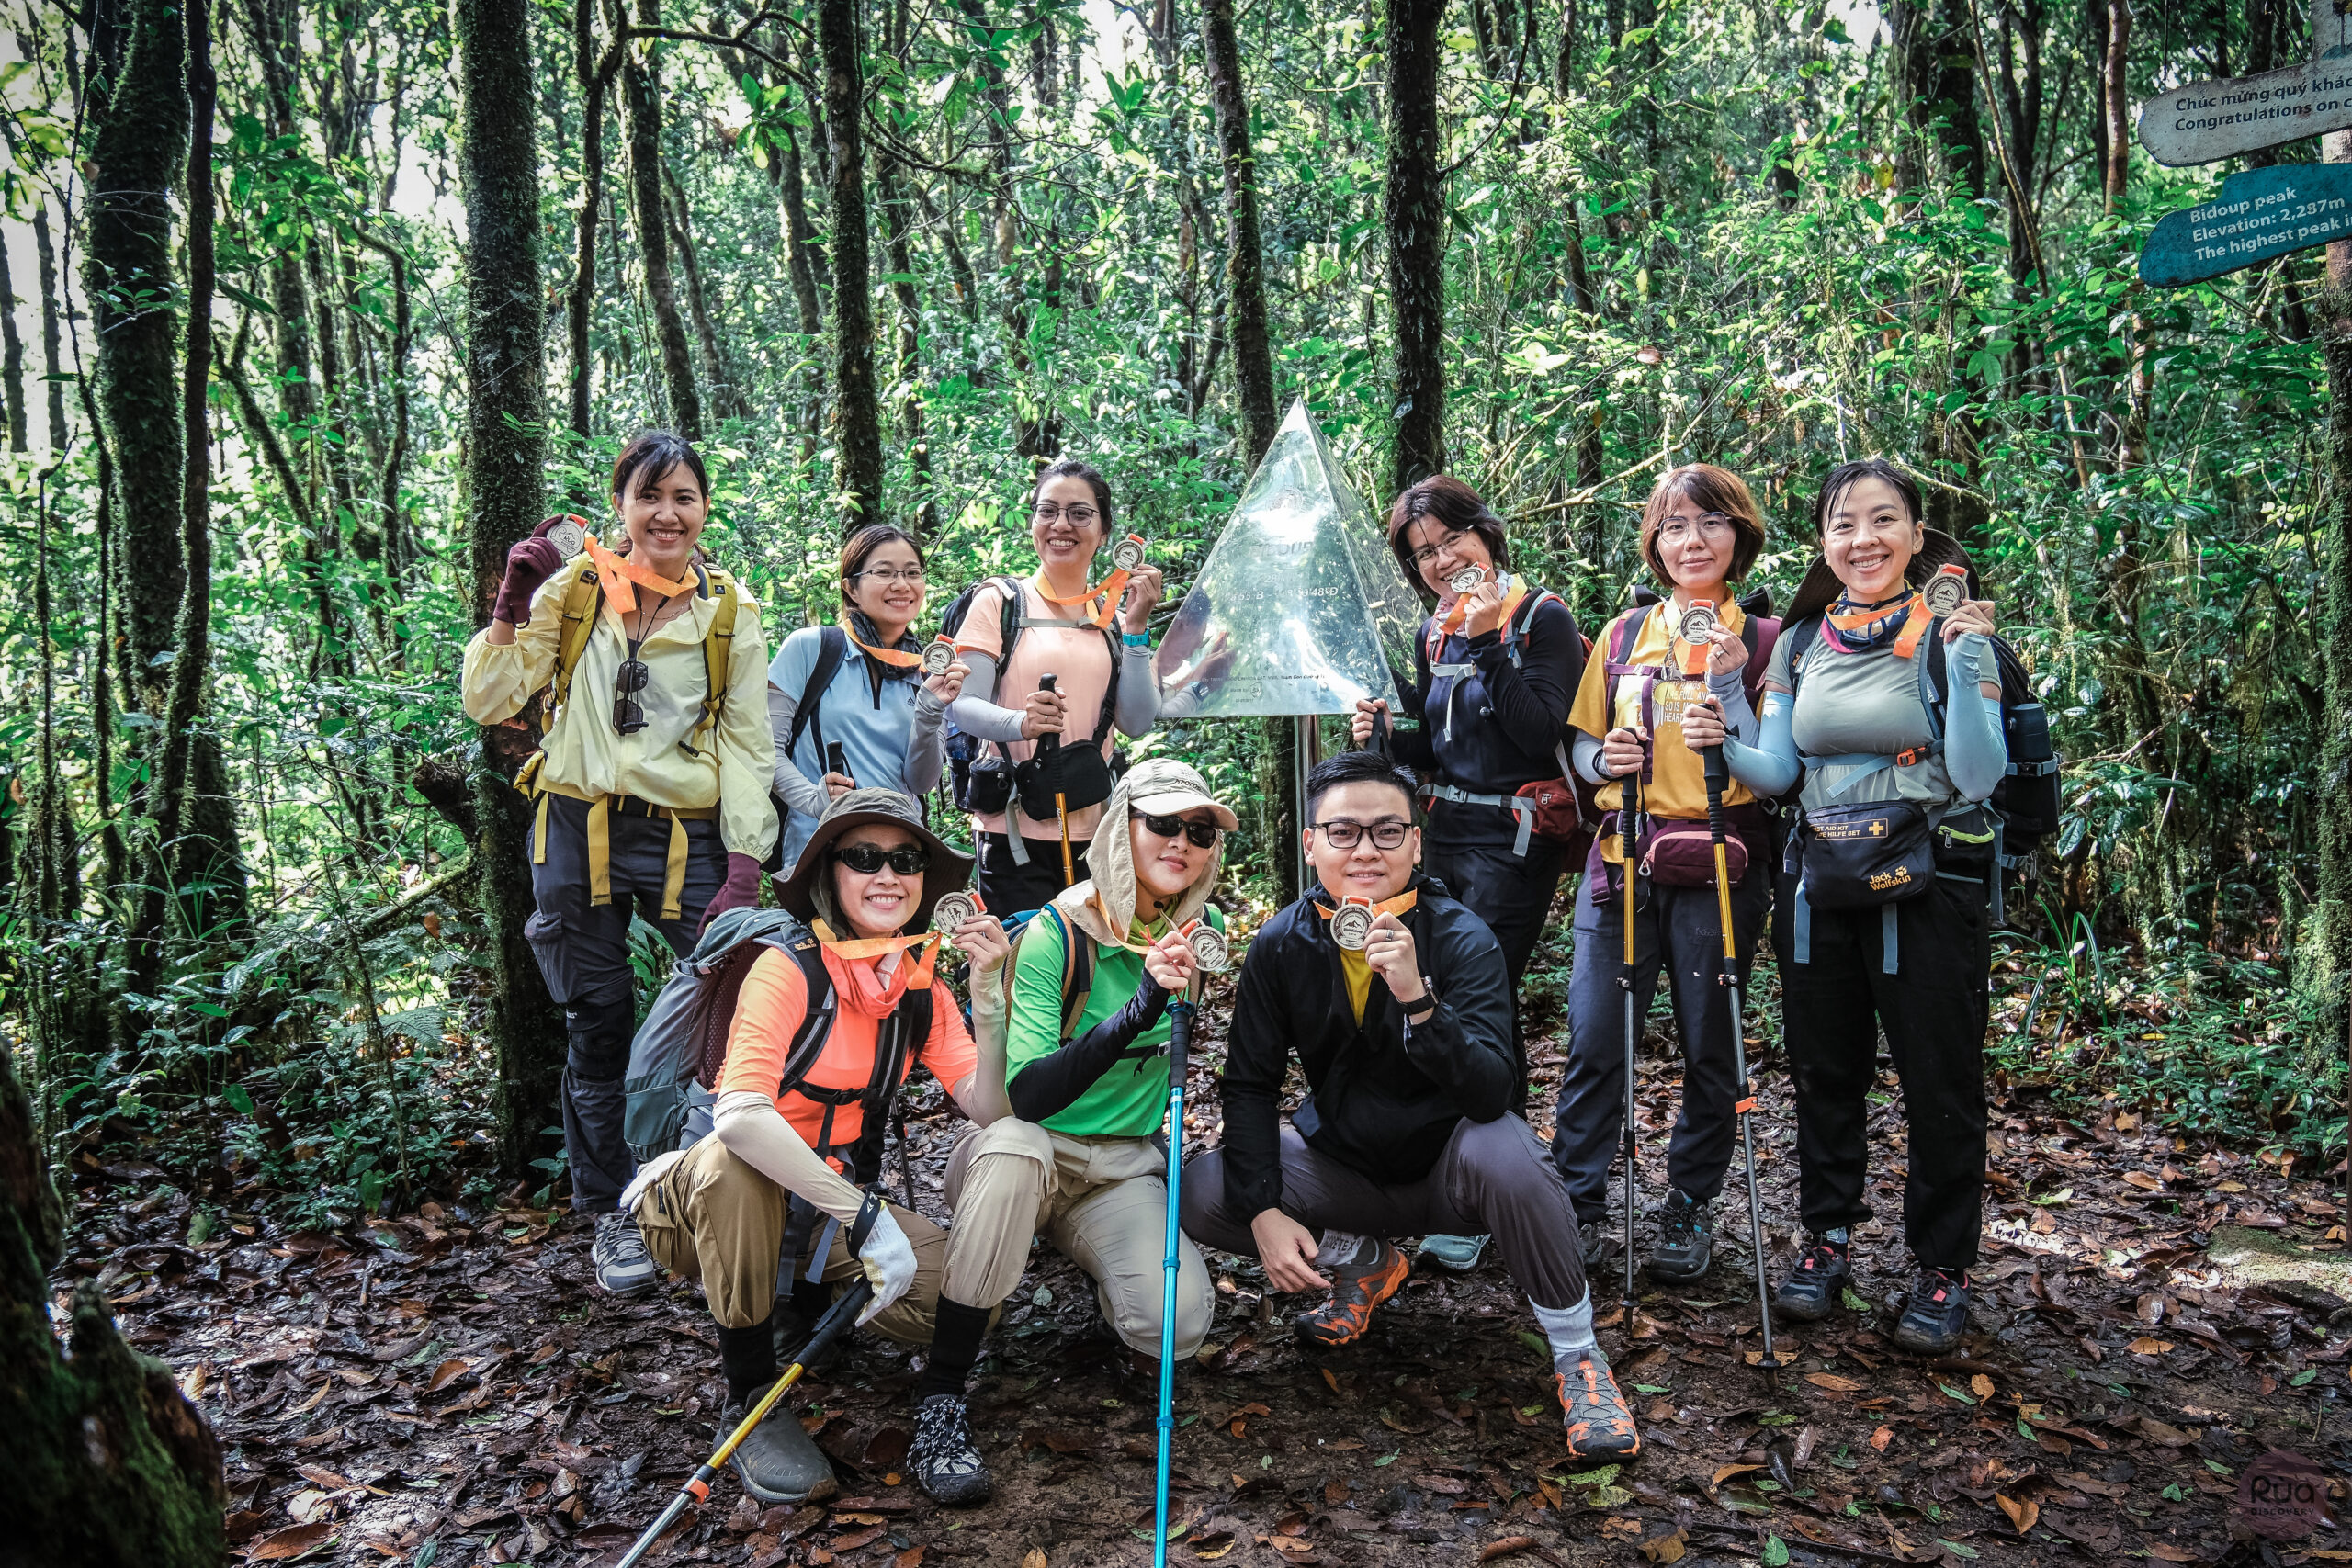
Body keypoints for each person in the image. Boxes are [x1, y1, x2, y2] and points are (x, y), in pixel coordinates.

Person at [1180, 750, 1641, 1461]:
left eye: (1387, 831)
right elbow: (1248, 1087)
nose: (1365, 849)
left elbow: (1494, 1092)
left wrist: (1419, 1002)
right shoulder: (1281, 942)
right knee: (1206, 1187)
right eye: (1343, 832)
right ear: (1311, 844)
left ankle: (1578, 1355)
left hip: (1450, 1175)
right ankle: (1362, 1261)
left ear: (1416, 842)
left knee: (1511, 1151)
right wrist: (1265, 1209)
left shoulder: (1462, 937)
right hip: (1345, 1168)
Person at [622, 789, 1026, 1506]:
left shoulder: (916, 985)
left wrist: (989, 994)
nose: (887, 876)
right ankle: (750, 1400)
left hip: (813, 1207)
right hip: (700, 1203)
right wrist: (865, 1217)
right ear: (828, 874)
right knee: (734, 1165)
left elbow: (990, 1108)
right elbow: (741, 1116)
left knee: (965, 1305)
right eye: (863, 857)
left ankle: (806, 1298)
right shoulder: (788, 967)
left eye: (905, 860)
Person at [463, 431, 776, 1298]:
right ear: (622, 507)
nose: (666, 514)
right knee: (596, 1021)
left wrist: (746, 863)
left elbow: (750, 744)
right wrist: (510, 601)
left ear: (704, 508)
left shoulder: (729, 610)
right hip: (576, 826)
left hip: (687, 833)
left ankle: (718, 1188)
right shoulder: (575, 590)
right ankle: (612, 1211)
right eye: (650, 496)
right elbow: (490, 698)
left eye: (683, 496)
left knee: (734, 998)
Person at [1710, 458, 2007, 1354]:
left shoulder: (1955, 635)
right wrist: (1726, 700)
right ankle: (1825, 1242)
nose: (1862, 539)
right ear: (1824, 543)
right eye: (1843, 524)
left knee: (1940, 1083)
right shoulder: (1801, 645)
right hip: (1822, 890)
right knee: (1824, 1076)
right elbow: (1774, 772)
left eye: (1883, 522)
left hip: (1929, 890)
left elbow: (1980, 771)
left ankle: (1940, 1268)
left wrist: (1963, 658)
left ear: (1918, 538)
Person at [925, 760, 1229, 1457]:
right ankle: (943, 1390)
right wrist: (1139, 1007)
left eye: (1200, 830)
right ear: (1122, 827)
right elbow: (1027, 1096)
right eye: (1162, 823)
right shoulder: (1056, 935)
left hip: (1119, 1167)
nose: (1181, 841)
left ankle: (1092, 1266)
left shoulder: (1199, 927)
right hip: (1025, 1153)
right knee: (1015, 1147)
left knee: (1175, 1324)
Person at [1349, 476, 1585, 1275]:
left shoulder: (1541, 617)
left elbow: (1536, 727)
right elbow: (1438, 748)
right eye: (1423, 554)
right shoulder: (1432, 632)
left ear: (1485, 533)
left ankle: (1501, 1189)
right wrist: (1385, 730)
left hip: (1512, 842)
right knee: (1433, 996)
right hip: (1442, 837)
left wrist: (1488, 638)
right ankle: (1446, 1171)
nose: (1443, 561)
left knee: (1485, 1002)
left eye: (1452, 540)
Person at [1550, 464, 1778, 1284]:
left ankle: (1688, 1200)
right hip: (1621, 857)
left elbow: (1782, 759)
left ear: (1739, 535)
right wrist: (1599, 755)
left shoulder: (1763, 640)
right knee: (1595, 1038)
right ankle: (1575, 1200)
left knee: (1710, 1040)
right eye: (1676, 526)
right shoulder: (1620, 636)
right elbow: (1580, 741)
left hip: (1723, 855)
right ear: (1655, 542)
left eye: (1711, 523)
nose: (1693, 540)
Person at [948, 458, 1163, 916]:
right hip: (1011, 834)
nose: (1061, 525)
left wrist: (1138, 627)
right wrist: (1020, 723)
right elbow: (961, 704)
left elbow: (1137, 721)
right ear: (1033, 524)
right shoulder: (1001, 602)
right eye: (1048, 511)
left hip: (1095, 832)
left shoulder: (1114, 624)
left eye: (1079, 514)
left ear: (1104, 531)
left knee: (1085, 975)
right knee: (1018, 972)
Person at [768, 524, 969, 874]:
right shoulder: (810, 648)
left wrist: (930, 710)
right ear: (851, 588)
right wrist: (816, 801)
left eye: (912, 573)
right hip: (817, 851)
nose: (902, 584)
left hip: (899, 857)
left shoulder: (925, 670)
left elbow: (921, 782)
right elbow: (764, 749)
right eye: (884, 572)